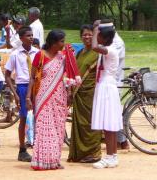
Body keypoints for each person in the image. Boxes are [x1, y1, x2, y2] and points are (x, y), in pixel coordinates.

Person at [26, 30, 81, 170]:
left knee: (58, 128)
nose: (64, 44)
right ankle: (42, 161)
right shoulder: (41, 55)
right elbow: (32, 77)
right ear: (53, 42)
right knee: (44, 128)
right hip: (43, 96)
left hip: (59, 97)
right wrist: (28, 97)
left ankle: (54, 160)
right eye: (61, 41)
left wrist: (69, 93)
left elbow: (68, 77)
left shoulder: (63, 57)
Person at [90, 21, 123, 169]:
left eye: (99, 36)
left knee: (109, 124)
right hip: (104, 85)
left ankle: (111, 156)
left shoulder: (111, 50)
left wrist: (95, 28)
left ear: (104, 38)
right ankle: (111, 156)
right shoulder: (108, 48)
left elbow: (94, 47)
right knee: (108, 124)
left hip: (107, 86)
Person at [67, 24, 102, 163]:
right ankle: (81, 153)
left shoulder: (98, 52)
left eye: (89, 34)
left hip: (91, 92)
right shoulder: (79, 53)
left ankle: (94, 153)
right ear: (81, 37)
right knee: (80, 124)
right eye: (84, 35)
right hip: (79, 94)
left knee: (91, 122)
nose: (87, 37)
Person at [4, 26, 38, 162]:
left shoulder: (38, 52)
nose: (31, 38)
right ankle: (22, 149)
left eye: (32, 35)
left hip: (37, 86)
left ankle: (39, 147)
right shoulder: (15, 54)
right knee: (23, 118)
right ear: (21, 38)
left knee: (38, 116)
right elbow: (7, 75)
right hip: (23, 86)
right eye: (28, 35)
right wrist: (16, 94)